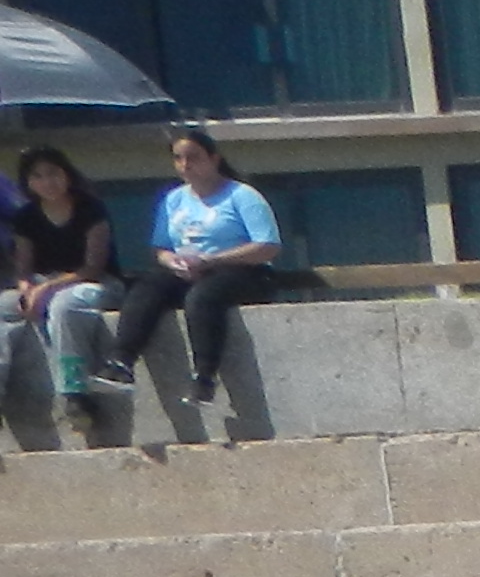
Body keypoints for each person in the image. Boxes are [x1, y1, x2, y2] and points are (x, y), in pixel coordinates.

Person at [101, 127, 279, 415]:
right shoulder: (174, 199)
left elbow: (267, 246)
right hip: (190, 270)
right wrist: (173, 262)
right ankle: (121, 362)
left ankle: (205, 378)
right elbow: (161, 248)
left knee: (202, 297)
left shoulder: (242, 196)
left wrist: (211, 261)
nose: (186, 166)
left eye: (193, 158)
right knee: (147, 286)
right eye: (178, 159)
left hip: (245, 272)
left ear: (214, 159)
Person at [8, 145, 119, 403]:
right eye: (37, 176)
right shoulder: (26, 217)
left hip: (94, 283)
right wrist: (26, 289)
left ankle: (74, 391)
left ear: (67, 174)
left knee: (63, 306)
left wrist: (46, 288)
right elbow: (23, 268)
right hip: (42, 283)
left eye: (53, 173)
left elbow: (93, 266)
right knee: (4, 307)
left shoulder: (91, 208)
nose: (47, 182)